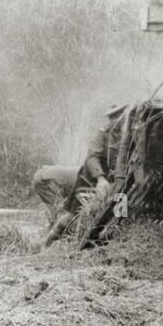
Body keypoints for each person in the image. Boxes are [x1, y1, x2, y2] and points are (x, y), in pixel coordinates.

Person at [42, 105, 131, 245]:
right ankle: (48, 242)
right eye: (115, 117)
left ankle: (107, 242)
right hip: (90, 179)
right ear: (111, 119)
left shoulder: (128, 137)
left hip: (114, 182)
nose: (118, 120)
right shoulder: (103, 134)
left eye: (121, 117)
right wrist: (100, 179)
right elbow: (92, 157)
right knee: (74, 213)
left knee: (117, 213)